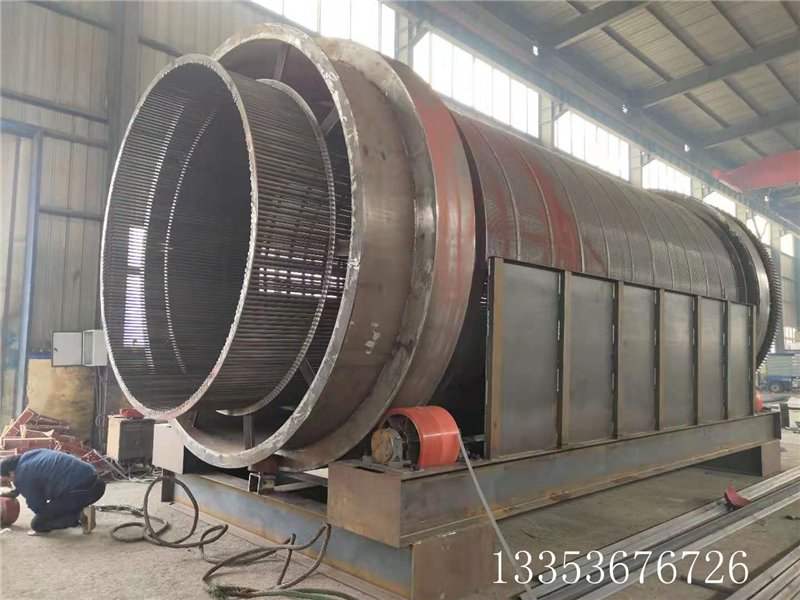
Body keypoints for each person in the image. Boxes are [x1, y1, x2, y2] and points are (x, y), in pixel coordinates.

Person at [0, 449, 105, 535]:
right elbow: (28, 479)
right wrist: (14, 493)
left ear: (11, 473)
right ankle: (78, 509)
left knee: (38, 525)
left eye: (8, 479)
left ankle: (78, 517)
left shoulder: (22, 475)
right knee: (55, 501)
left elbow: (36, 504)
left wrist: (45, 517)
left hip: (86, 491)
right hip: (96, 481)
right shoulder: (30, 456)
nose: (11, 481)